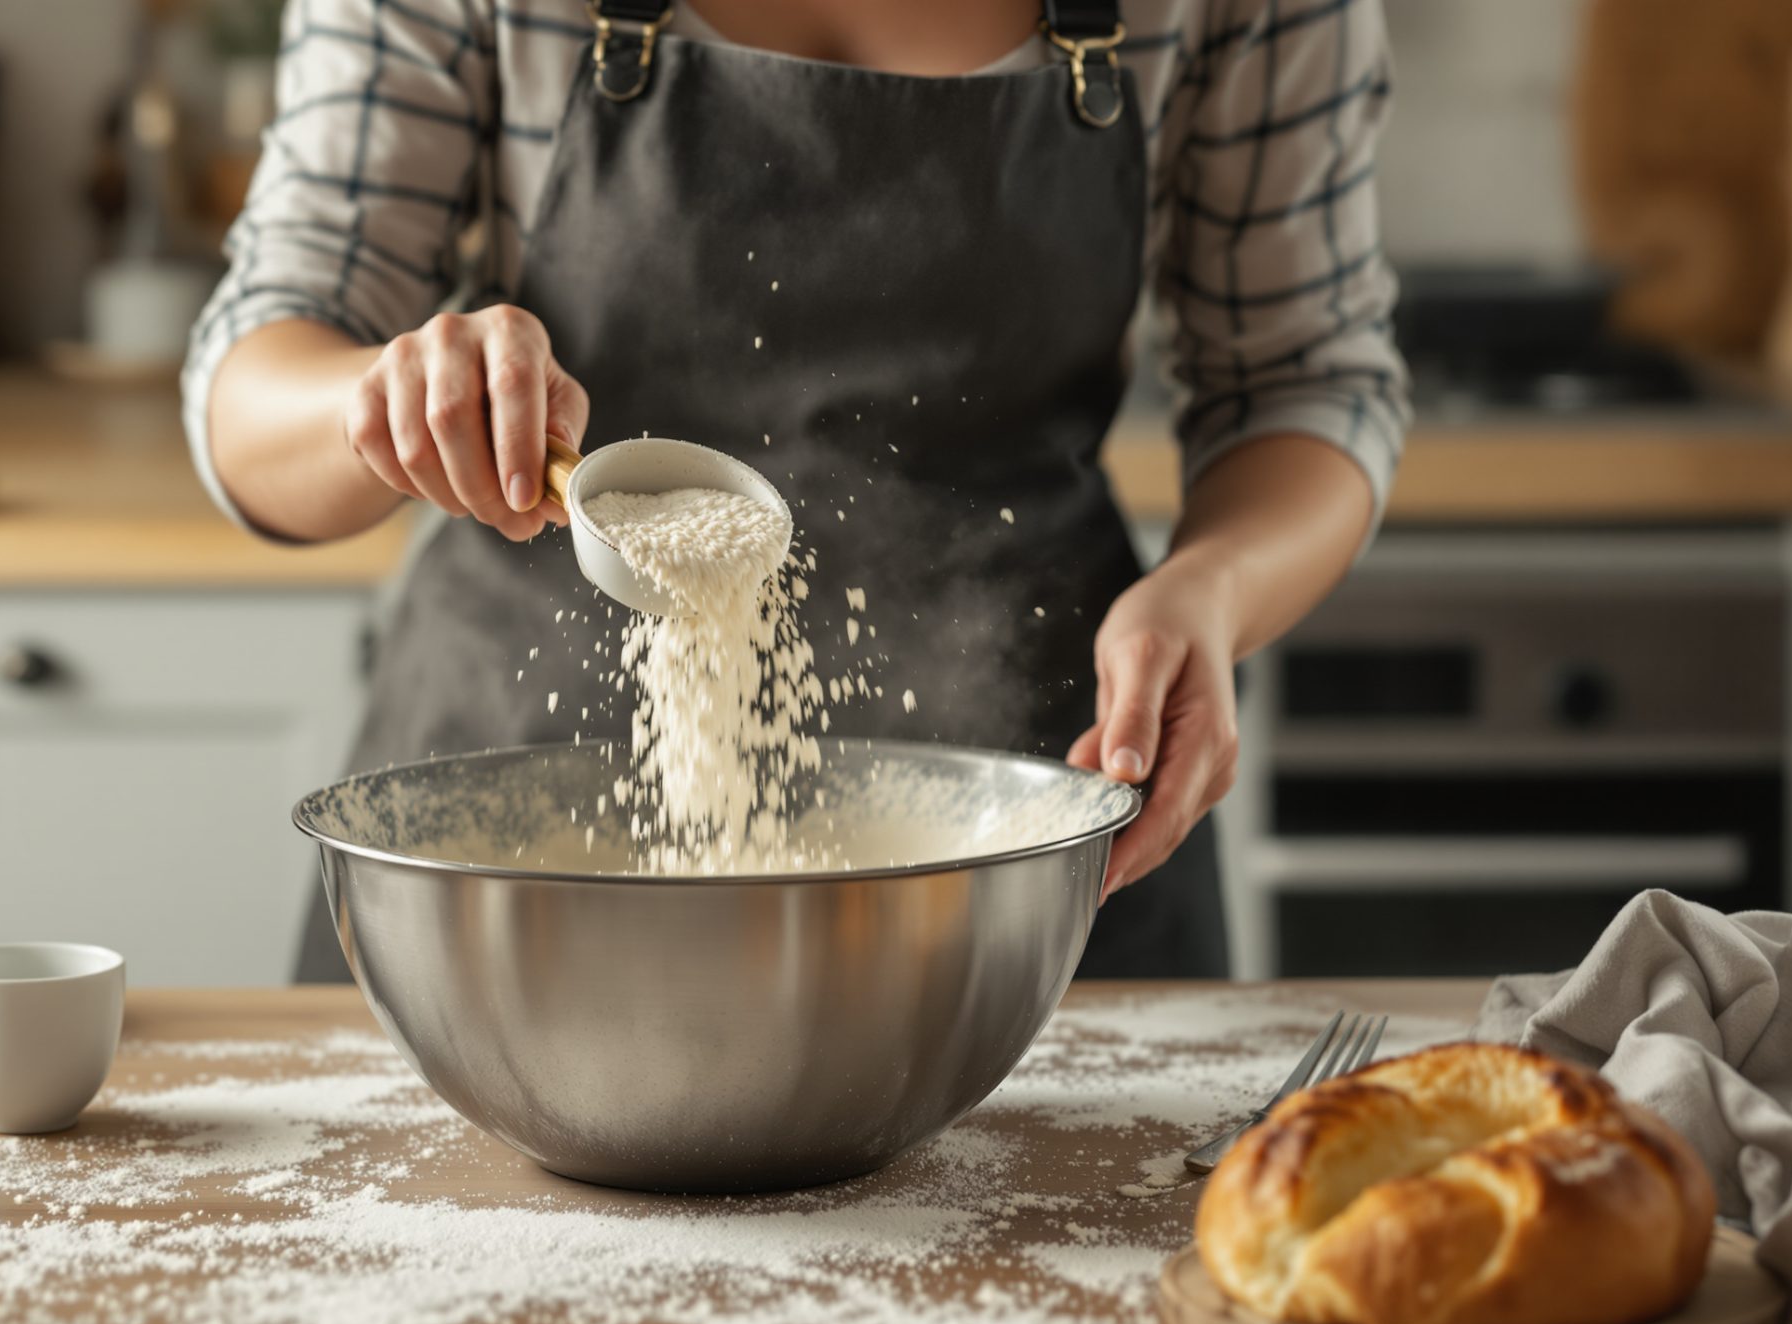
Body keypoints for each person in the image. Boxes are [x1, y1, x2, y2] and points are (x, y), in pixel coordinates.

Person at [185, 0, 1407, 982]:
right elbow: (256, 375)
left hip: (1030, 865)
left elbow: (1304, 382)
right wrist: (386, 403)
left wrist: (1213, 589)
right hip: (499, 873)